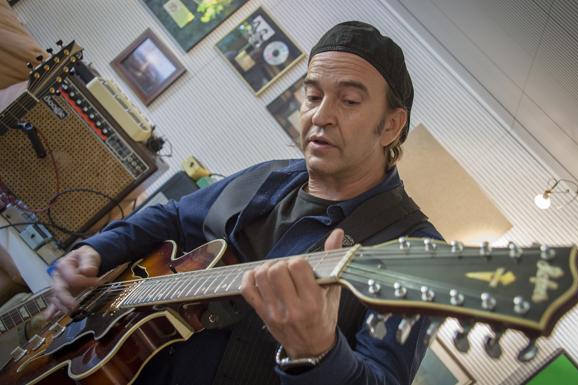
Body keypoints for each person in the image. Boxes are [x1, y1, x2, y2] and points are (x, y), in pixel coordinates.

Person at [47, 21, 443, 385]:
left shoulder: (418, 254)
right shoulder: (269, 176)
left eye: (350, 101)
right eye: (312, 95)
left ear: (391, 125)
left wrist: (320, 354)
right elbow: (173, 218)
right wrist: (96, 250)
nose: (321, 116)